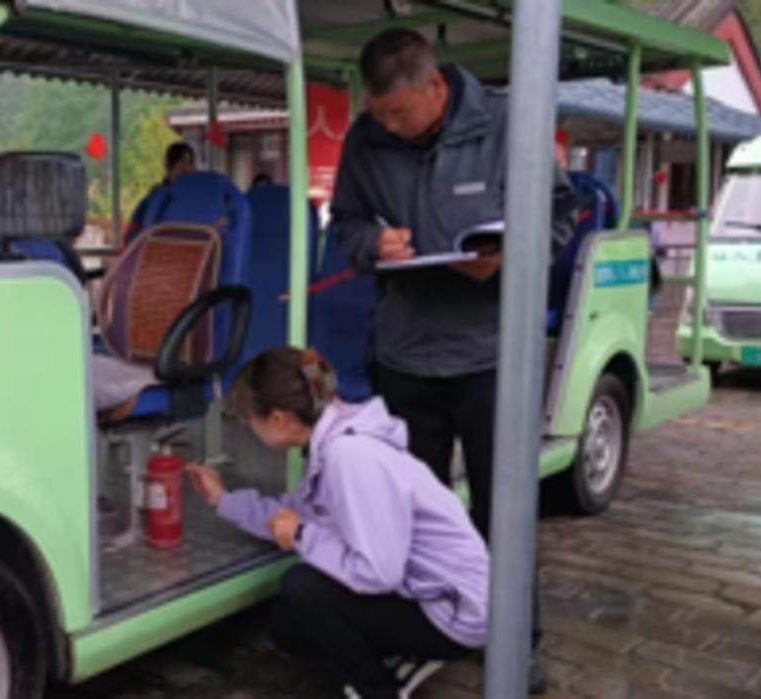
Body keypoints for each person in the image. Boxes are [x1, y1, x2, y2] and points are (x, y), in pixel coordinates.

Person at [328, 28, 577, 694]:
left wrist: (509, 258)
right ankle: (423, 635)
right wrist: (372, 243)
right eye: (379, 113)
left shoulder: (508, 124)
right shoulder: (365, 140)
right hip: (406, 354)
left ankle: (514, 642)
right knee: (410, 514)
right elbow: (344, 222)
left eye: (399, 112)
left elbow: (560, 211)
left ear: (435, 86)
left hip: (492, 355)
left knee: (505, 508)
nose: (388, 125)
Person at [186, 347, 490, 699]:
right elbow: (297, 510)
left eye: (250, 420)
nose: (249, 428)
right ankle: (398, 655)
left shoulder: (350, 457)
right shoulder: (339, 435)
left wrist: (302, 535)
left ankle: (378, 690)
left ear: (279, 419)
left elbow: (379, 573)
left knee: (303, 588)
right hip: (434, 595)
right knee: (287, 625)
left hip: (453, 614)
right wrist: (223, 500)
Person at [124, 141, 197, 239]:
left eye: (190, 163)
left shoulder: (198, 199)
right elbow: (136, 231)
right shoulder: (155, 198)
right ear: (169, 166)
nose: (187, 168)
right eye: (182, 162)